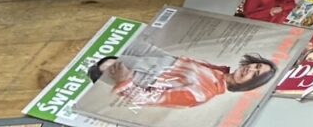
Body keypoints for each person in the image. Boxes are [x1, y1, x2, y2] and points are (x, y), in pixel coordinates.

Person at [90, 52, 275, 108]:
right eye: (256, 66)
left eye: (255, 75)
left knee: (101, 64)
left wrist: (124, 81)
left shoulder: (203, 94)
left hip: (138, 73)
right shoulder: (216, 69)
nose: (251, 69)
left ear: (247, 85)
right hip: (144, 55)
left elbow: (148, 99)